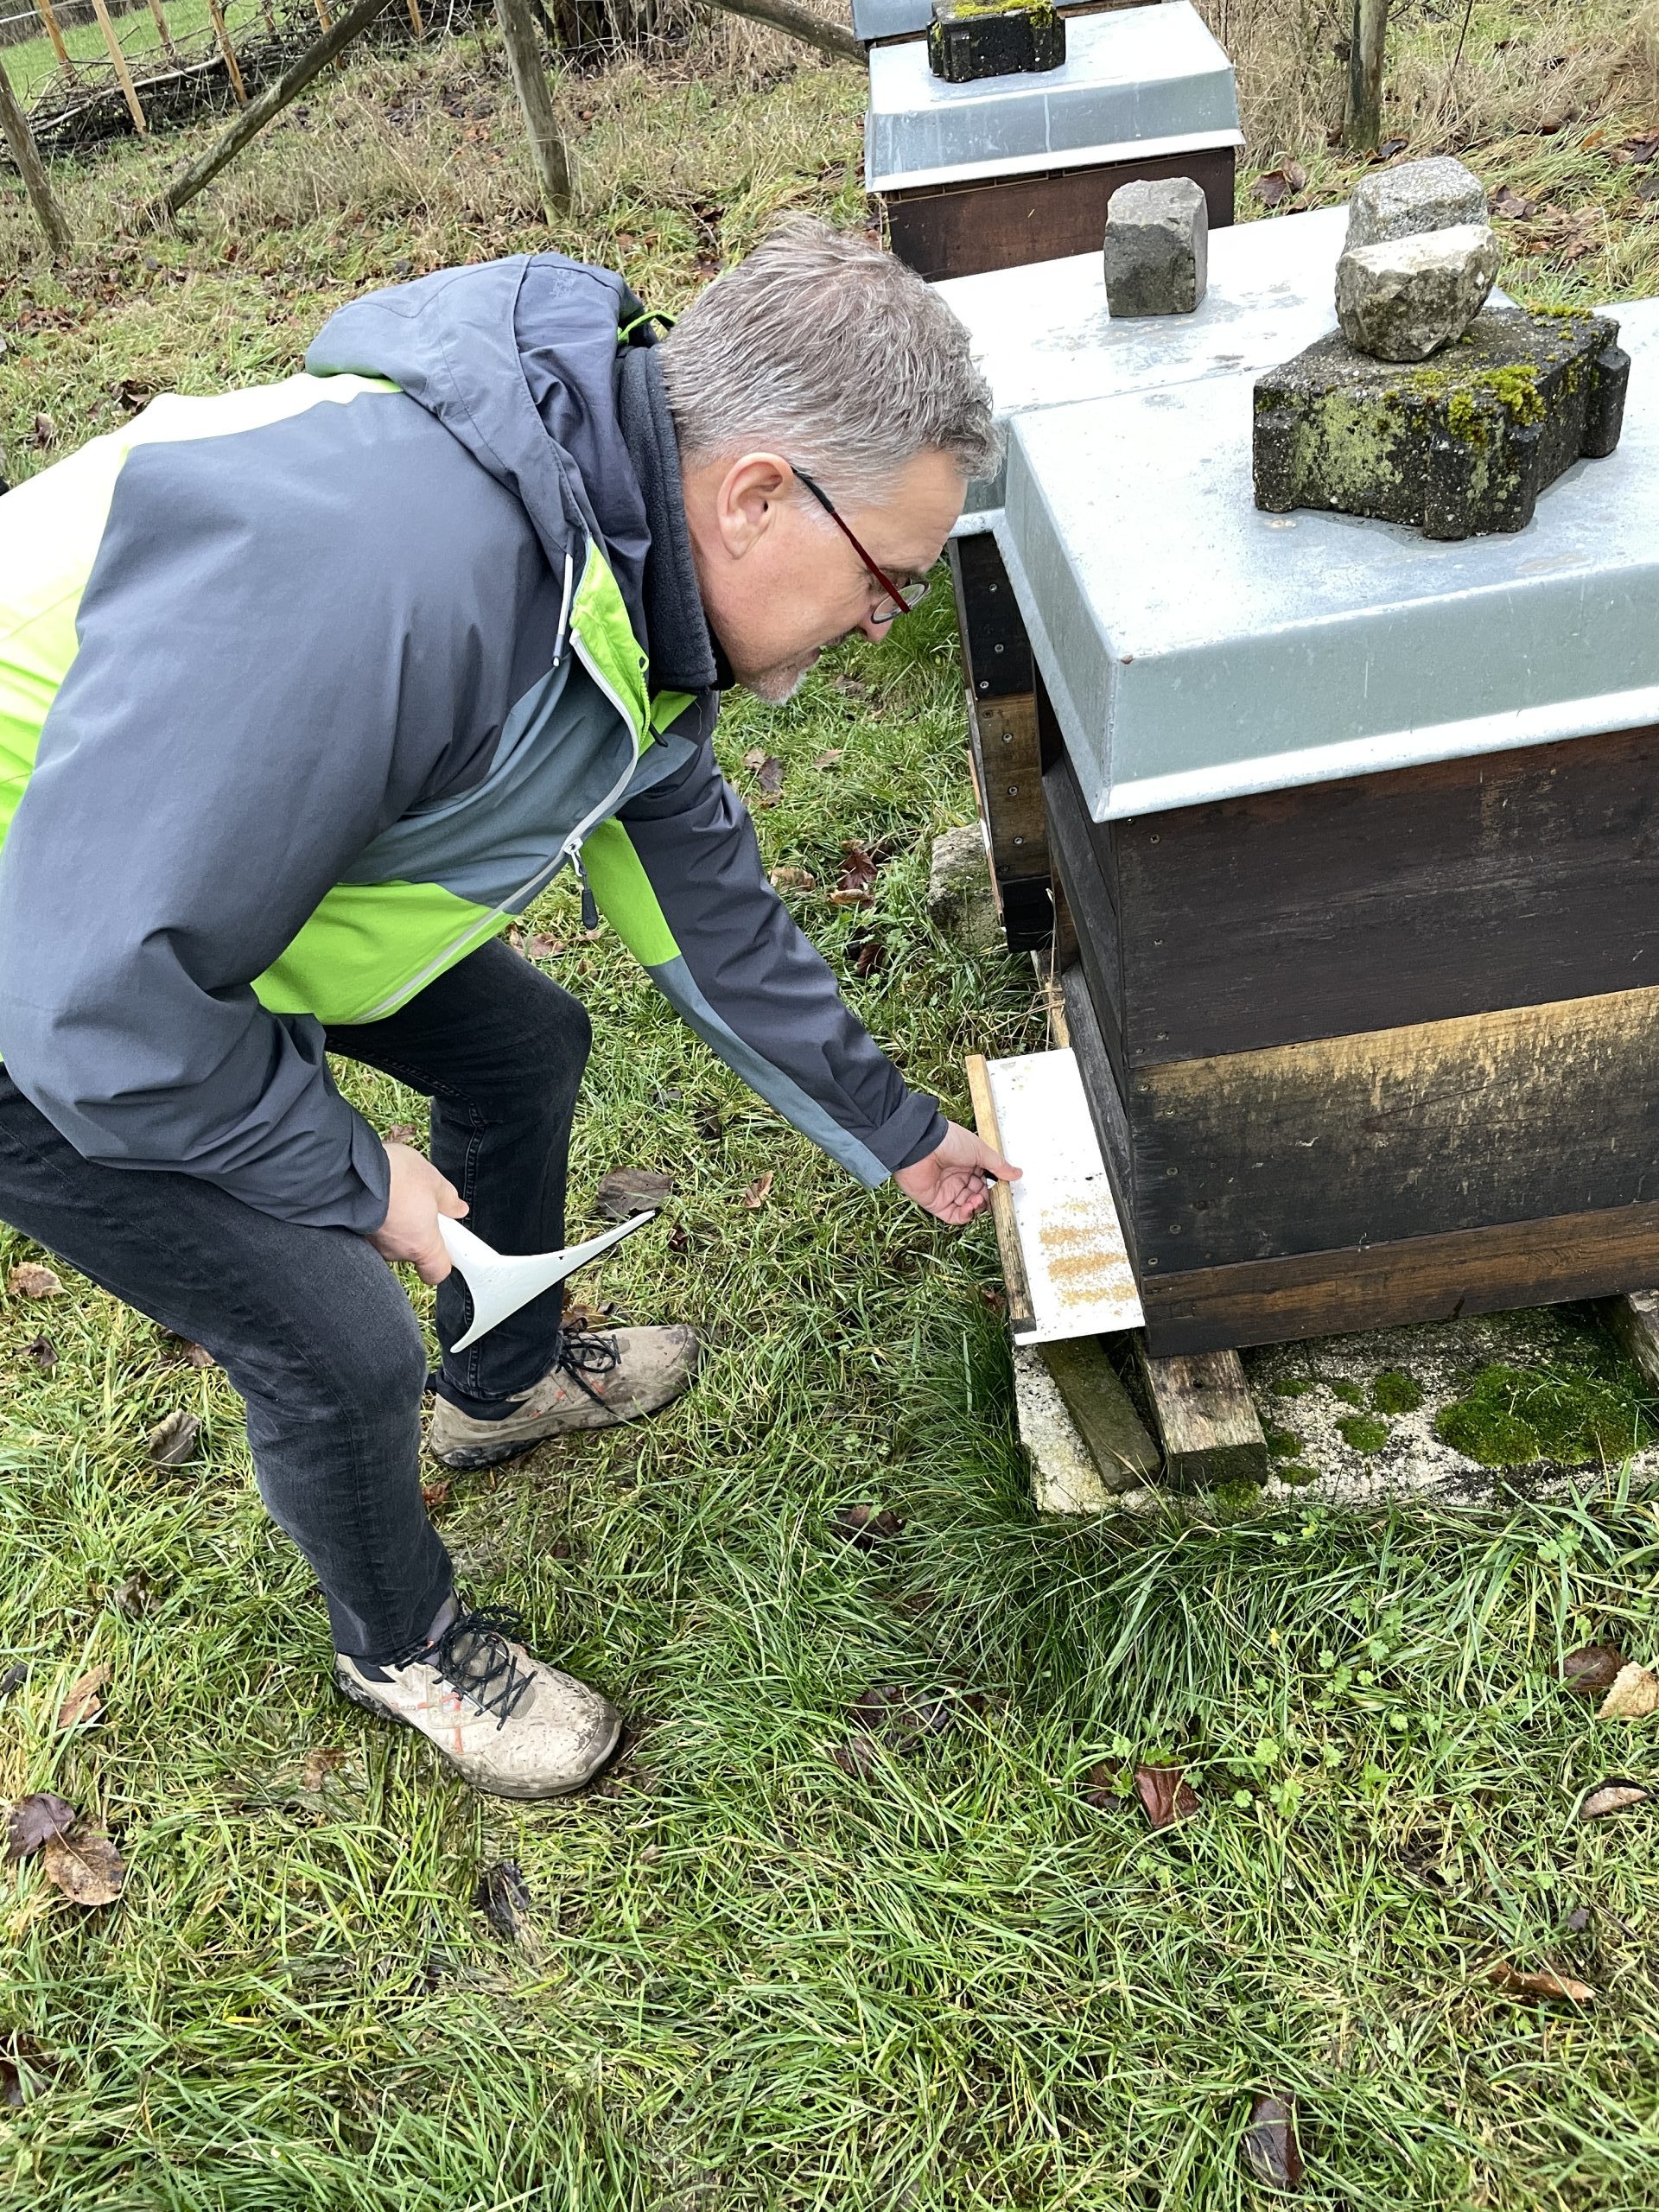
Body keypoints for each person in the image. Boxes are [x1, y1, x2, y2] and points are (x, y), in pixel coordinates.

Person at [0, 219, 1018, 1801]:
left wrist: (898, 1136)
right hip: (43, 953)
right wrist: (347, 1173)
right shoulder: (392, 575)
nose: (886, 622)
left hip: (182, 886)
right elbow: (91, 999)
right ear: (755, 494)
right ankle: (399, 1641)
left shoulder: (636, 591)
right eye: (886, 581)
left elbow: (709, 919)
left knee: (525, 1045)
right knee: (334, 1338)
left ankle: (503, 1377)